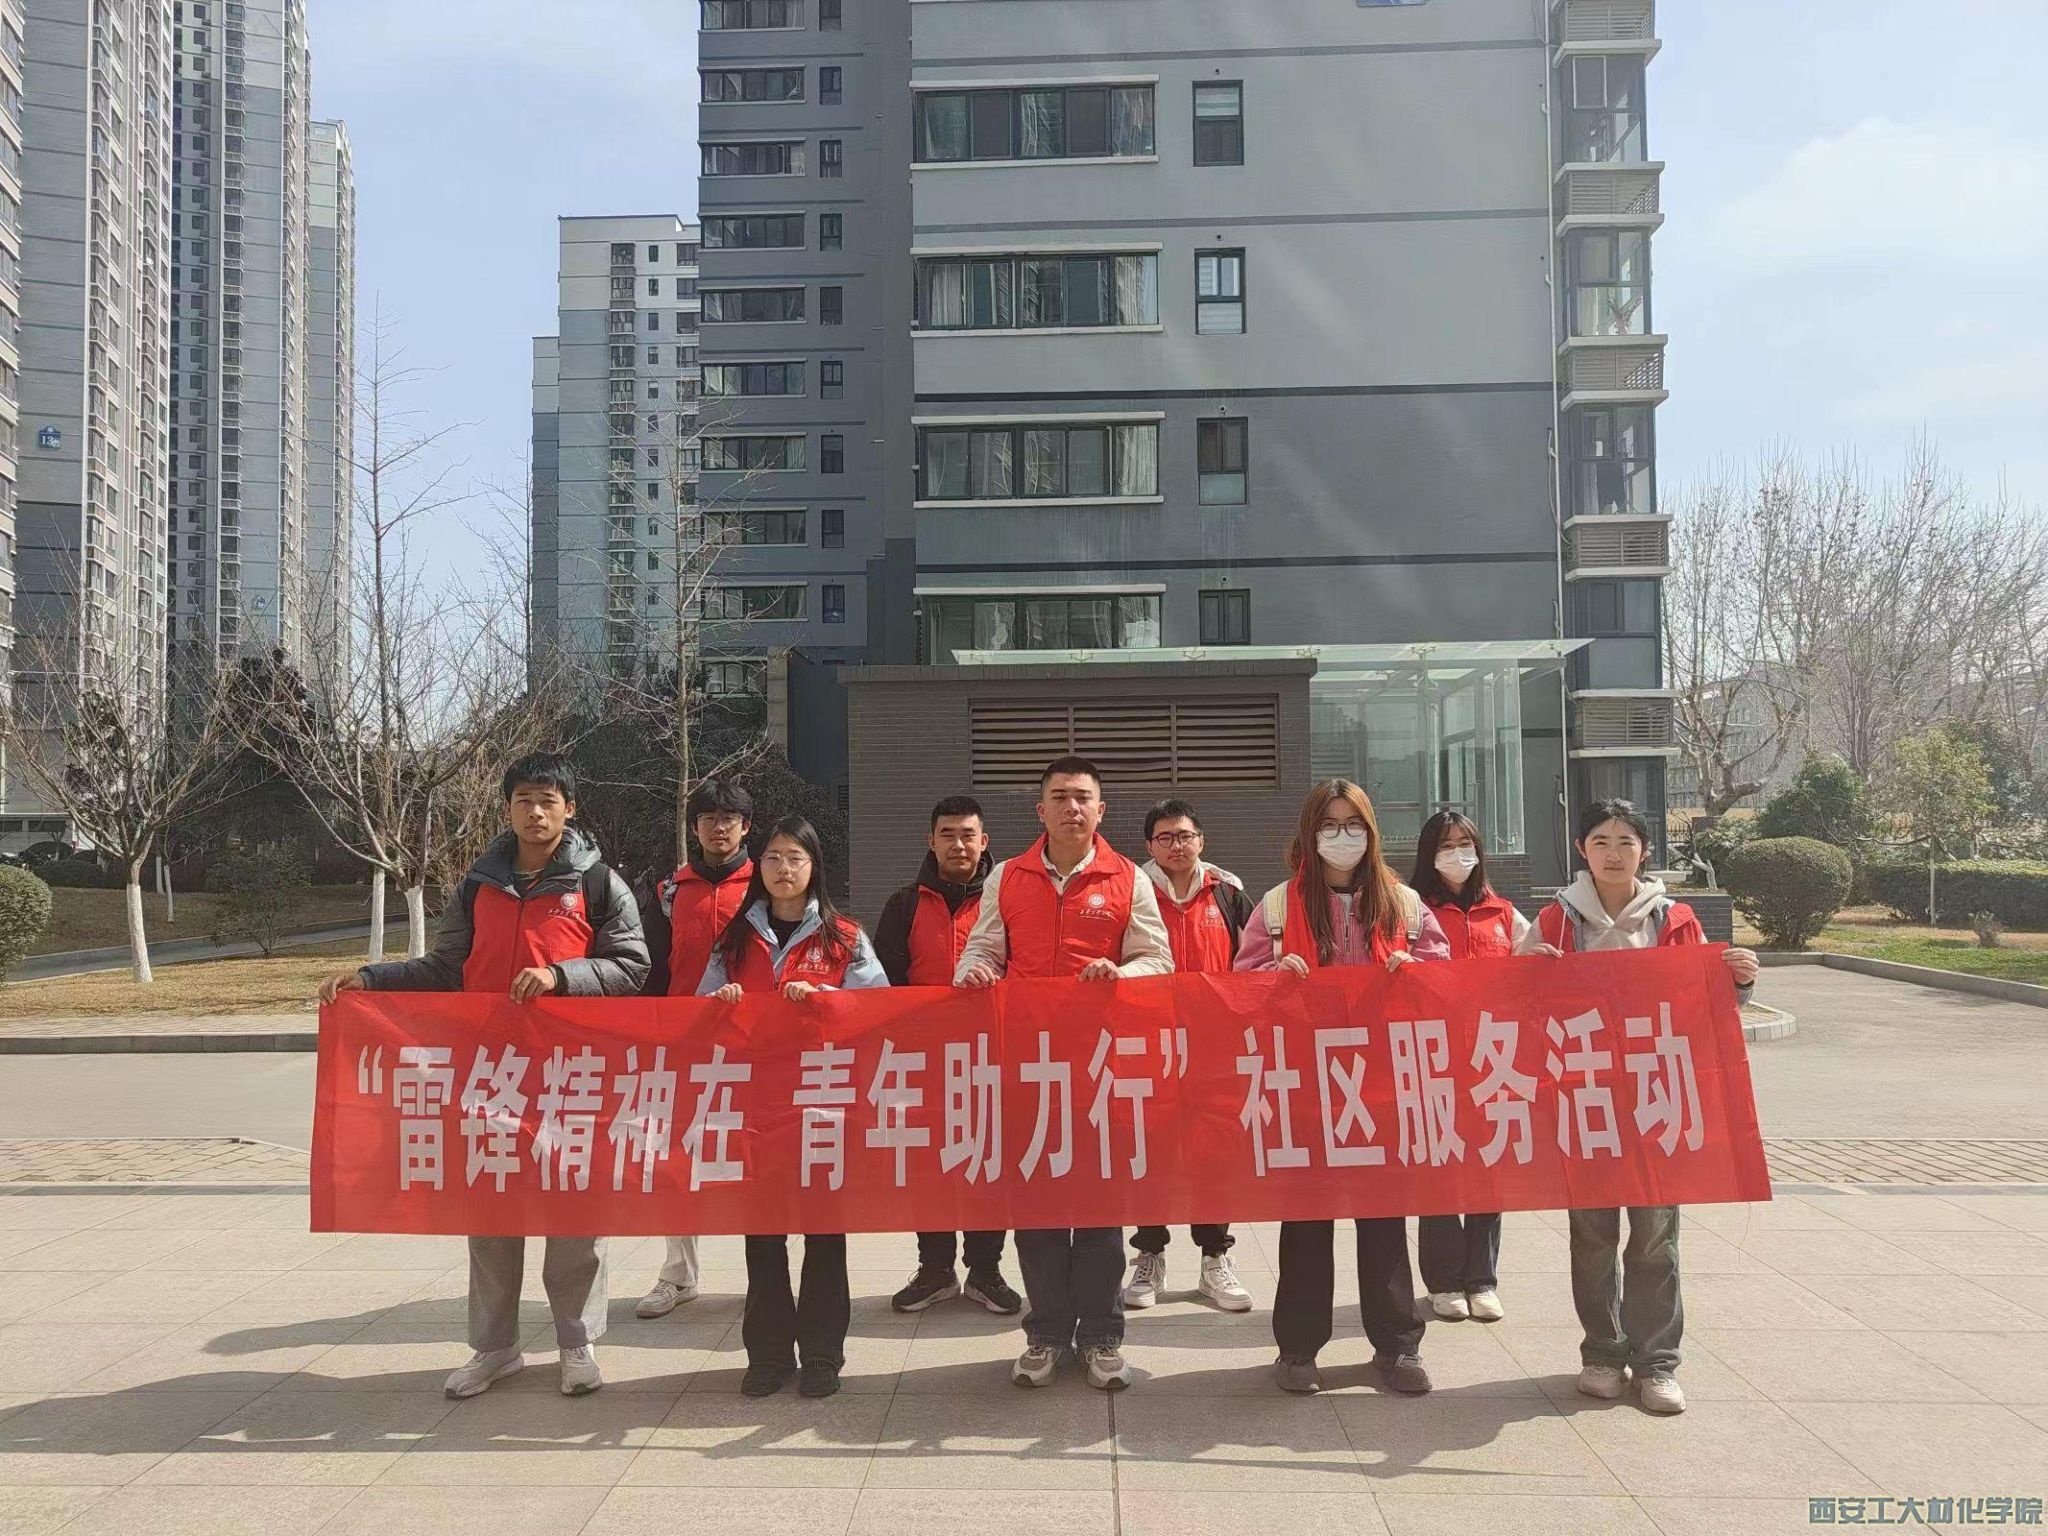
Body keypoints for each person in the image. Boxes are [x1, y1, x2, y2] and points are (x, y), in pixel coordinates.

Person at [318, 752, 649, 1400]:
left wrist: (561, 977)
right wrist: (372, 978)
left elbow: (632, 965)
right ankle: (495, 1347)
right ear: (507, 808)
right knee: (491, 1205)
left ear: (570, 809)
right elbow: (447, 968)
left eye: (548, 801)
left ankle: (576, 1341)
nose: (536, 812)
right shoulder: (478, 885)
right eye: (525, 800)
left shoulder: (599, 883)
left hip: (572, 1073)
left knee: (574, 1209)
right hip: (491, 1071)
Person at [1517, 798, 1760, 1417]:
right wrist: (1521, 972)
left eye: (1626, 841)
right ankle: (1602, 1353)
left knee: (1655, 1237)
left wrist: (1739, 981)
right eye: (1600, 841)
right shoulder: (1554, 921)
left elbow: (1708, 1003)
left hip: (1655, 1097)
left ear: (1645, 851)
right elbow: (1516, 1008)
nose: (1613, 853)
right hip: (1585, 1100)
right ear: (1582, 850)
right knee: (1592, 1236)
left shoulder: (1675, 919)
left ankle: (1656, 1364)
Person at [955, 755, 1174, 1391]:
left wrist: (1120, 974)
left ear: (1101, 810)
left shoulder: (1129, 879)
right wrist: (973, 970)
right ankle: (1046, 1333)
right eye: (1059, 797)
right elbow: (984, 946)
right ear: (1041, 810)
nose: (1072, 807)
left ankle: (1103, 1336)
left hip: (1102, 1067)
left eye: (1083, 797)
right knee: (1040, 1208)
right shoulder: (1006, 876)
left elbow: (1158, 960)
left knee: (1101, 1212)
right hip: (1028, 1066)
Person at [1235, 778, 1449, 1398]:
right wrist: (1274, 975)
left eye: (1353, 824)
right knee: (1306, 1221)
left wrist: (1415, 973)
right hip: (1306, 1085)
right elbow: (1241, 985)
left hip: (1381, 1084)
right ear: (1309, 833)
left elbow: (1447, 979)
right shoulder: (1278, 906)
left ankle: (1398, 1344)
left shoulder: (1404, 904)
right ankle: (1298, 1347)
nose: (1342, 836)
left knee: (1384, 1219)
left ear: (1371, 832)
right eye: (1328, 825)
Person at [699, 815, 889, 1400]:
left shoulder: (845, 936)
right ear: (759, 866)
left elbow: (878, 1007)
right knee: (762, 1235)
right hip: (755, 1105)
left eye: (796, 858)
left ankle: (823, 1356)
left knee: (824, 1234)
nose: (784, 869)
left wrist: (827, 999)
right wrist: (721, 1001)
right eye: (774, 857)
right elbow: (700, 1011)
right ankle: (768, 1356)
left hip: (822, 1105)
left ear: (814, 867)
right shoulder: (734, 938)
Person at [873, 795, 1023, 1318]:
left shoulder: (1007, 899)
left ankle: (985, 1271)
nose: (958, 844)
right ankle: (935, 1269)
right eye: (948, 834)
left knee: (987, 1164)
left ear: (984, 841)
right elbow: (885, 984)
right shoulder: (904, 905)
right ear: (930, 840)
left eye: (968, 834)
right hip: (925, 1060)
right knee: (930, 1167)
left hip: (992, 1057)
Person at [1122, 798, 1256, 1314]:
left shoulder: (1228, 892)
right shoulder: (1132, 890)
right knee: (1150, 1149)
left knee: (1213, 1152)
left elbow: (1254, 963)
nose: (1176, 845)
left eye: (1184, 835)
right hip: (1147, 1045)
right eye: (1165, 837)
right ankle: (1149, 1255)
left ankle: (1215, 1258)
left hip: (1213, 1047)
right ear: (1149, 845)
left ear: (1201, 840)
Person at [633, 779, 756, 1321]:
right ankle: (677, 1275)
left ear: (746, 827)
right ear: (695, 827)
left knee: (757, 1157)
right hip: (681, 1044)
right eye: (708, 818)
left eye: (729, 818)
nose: (719, 827)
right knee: (675, 1158)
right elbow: (648, 968)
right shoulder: (668, 891)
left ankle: (765, 1276)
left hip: (752, 1045)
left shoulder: (767, 886)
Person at [1409, 809, 1532, 1325]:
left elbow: (1530, 968)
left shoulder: (1502, 912)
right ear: (1428, 854)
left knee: (1488, 1167)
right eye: (1446, 845)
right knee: (1440, 1167)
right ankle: (1443, 1280)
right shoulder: (1410, 908)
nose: (1457, 854)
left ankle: (1482, 1278)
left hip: (1491, 1057)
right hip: (1434, 1055)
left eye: (1465, 843)